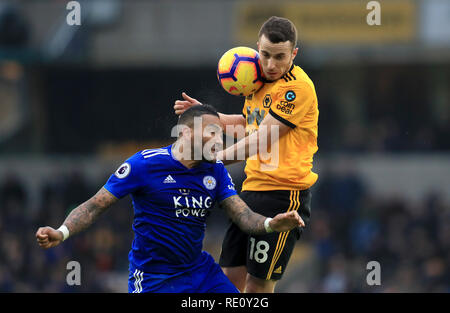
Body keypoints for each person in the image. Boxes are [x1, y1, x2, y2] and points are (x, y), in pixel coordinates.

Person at [36, 104, 305, 293]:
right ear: (186, 133)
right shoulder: (144, 163)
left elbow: (243, 215)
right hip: (154, 278)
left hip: (200, 274)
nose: (218, 140)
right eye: (212, 132)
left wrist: (271, 224)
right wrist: (61, 232)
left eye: (220, 134)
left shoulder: (215, 170)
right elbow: (95, 205)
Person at [173, 16, 319, 293]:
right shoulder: (255, 79)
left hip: (283, 194)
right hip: (251, 189)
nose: (271, 65)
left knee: (257, 287)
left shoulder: (296, 88)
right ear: (257, 49)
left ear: (294, 54)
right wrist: (210, 115)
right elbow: (248, 123)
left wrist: (211, 159)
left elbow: (260, 140)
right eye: (265, 55)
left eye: (280, 57)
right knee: (228, 279)